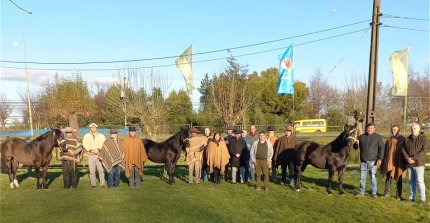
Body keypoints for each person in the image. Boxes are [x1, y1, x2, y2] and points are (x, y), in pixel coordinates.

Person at [355, 122, 384, 197]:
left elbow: (382, 149)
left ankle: (374, 192)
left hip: (373, 161)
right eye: (368, 128)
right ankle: (362, 192)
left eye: (371, 128)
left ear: (374, 129)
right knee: (362, 178)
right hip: (363, 160)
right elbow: (355, 148)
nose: (369, 129)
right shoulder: (361, 137)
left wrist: (380, 159)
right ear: (366, 128)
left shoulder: (378, 137)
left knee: (373, 177)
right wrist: (356, 144)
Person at [402, 123, 428, 203]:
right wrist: (407, 158)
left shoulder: (424, 139)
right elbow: (403, 149)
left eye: (415, 128)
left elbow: (424, 151)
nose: (413, 130)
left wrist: (413, 158)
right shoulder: (407, 139)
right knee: (411, 181)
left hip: (419, 163)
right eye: (412, 128)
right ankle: (411, 197)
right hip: (409, 164)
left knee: (419, 181)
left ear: (419, 129)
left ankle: (422, 198)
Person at [381, 125, 406, 200]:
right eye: (392, 130)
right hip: (390, 161)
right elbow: (385, 150)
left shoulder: (402, 139)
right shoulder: (389, 139)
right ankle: (387, 193)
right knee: (388, 177)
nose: (393, 131)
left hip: (399, 161)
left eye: (395, 130)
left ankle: (399, 195)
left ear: (398, 130)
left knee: (399, 177)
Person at [82, 123, 106, 187]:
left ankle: (102, 183)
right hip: (91, 155)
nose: (93, 128)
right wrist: (91, 150)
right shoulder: (86, 136)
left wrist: (98, 149)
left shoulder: (101, 136)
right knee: (92, 170)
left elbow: (104, 143)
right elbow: (84, 144)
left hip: (99, 155)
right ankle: (93, 184)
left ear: (96, 128)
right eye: (92, 127)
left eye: (94, 127)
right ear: (90, 128)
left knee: (101, 170)